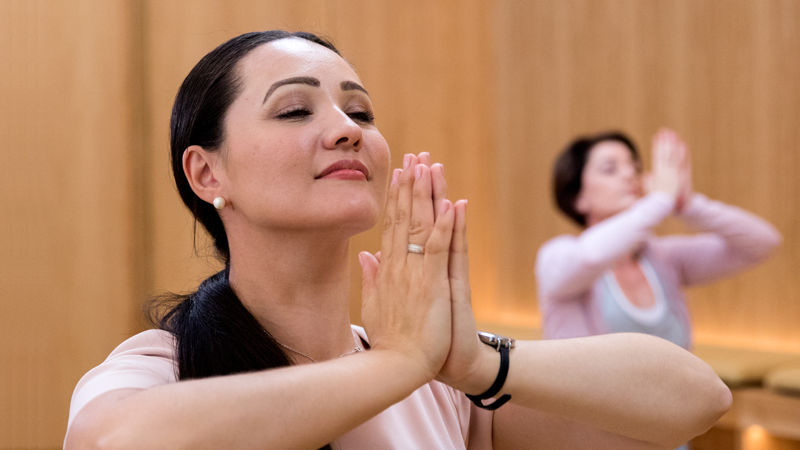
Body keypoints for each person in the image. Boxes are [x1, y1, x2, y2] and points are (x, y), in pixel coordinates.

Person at [65, 31, 731, 449]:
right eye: (296, 109)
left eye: (359, 112)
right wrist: (392, 366)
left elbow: (696, 400)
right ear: (207, 171)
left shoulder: (439, 383)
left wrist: (473, 362)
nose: (346, 128)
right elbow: (115, 441)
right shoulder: (156, 367)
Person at [536, 129, 781, 348]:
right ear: (578, 197)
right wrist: (660, 201)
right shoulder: (557, 255)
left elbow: (762, 243)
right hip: (589, 401)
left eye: (635, 167)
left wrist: (688, 205)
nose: (629, 175)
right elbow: (591, 256)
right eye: (610, 169)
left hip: (678, 399)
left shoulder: (663, 257)